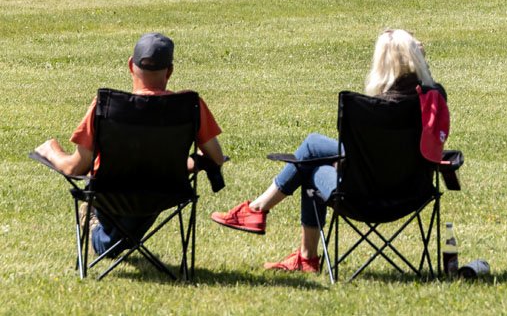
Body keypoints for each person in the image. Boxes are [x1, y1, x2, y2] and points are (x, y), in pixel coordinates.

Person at [210, 29, 445, 273]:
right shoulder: (434, 98)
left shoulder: (372, 108)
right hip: (413, 193)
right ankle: (276, 229)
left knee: (311, 163)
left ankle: (274, 225)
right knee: (312, 152)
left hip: (360, 197)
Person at [34, 32, 225, 256]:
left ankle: (94, 223)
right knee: (124, 236)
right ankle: (107, 235)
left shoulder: (106, 106)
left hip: (109, 194)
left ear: (130, 66)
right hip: (164, 192)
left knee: (109, 246)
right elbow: (216, 158)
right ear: (170, 71)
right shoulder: (189, 106)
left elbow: (75, 168)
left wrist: (50, 150)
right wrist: (182, 164)